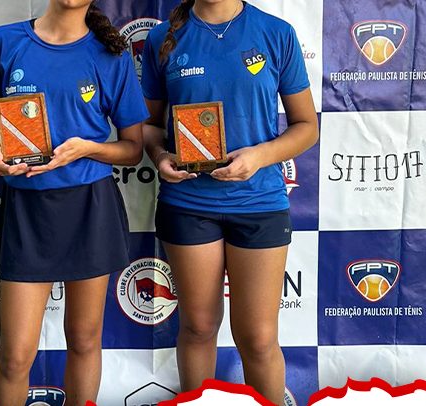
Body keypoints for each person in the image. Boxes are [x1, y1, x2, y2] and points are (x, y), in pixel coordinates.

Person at [0, 0, 148, 404]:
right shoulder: (4, 42)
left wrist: (87, 149)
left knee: (84, 340)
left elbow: (133, 149)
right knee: (15, 357)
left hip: (90, 207)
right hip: (27, 211)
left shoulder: (111, 53)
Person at [140, 0, 319, 403]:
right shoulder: (162, 37)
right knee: (198, 328)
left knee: (258, 339)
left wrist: (259, 156)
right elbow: (149, 126)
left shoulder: (275, 33)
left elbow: (307, 126)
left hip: (259, 204)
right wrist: (161, 156)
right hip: (188, 204)